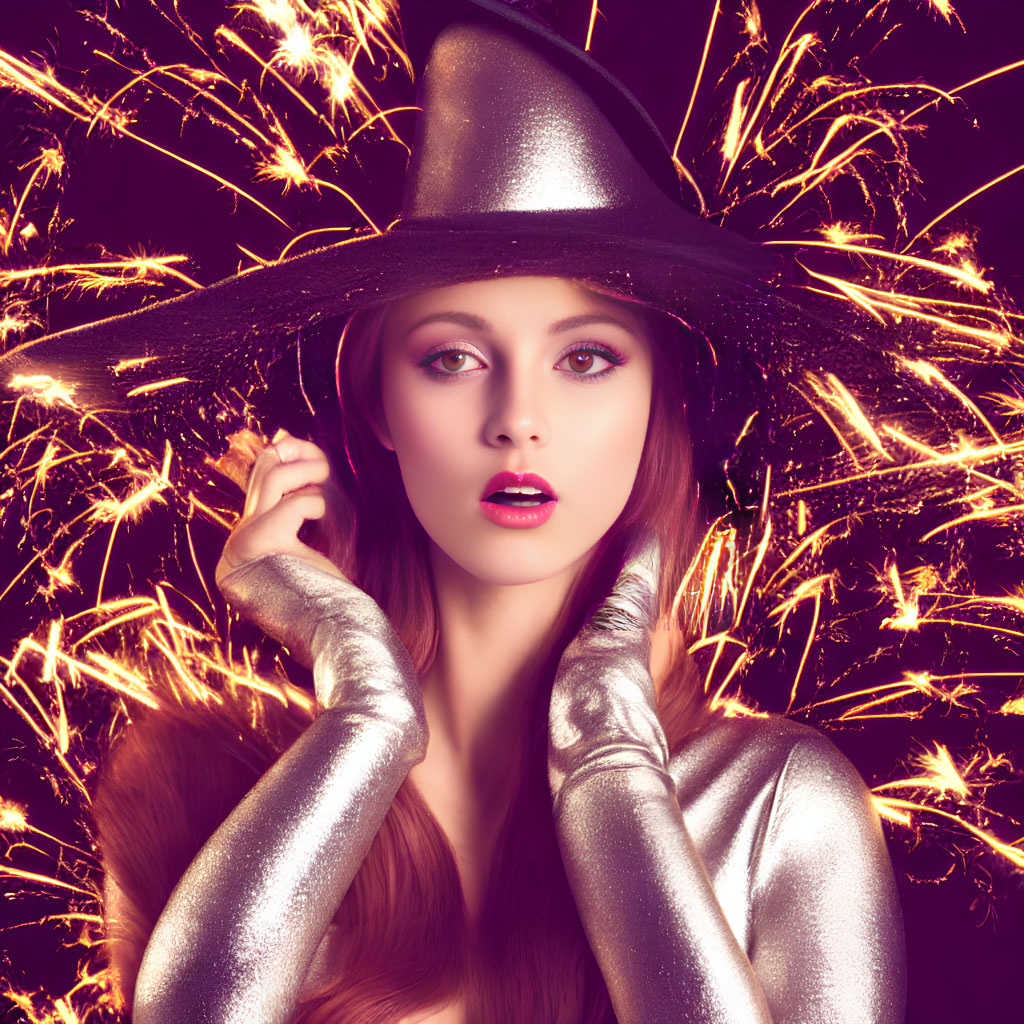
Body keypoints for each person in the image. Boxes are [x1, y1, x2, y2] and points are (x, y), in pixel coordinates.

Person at [6, 2, 907, 1021]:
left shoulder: (779, 810)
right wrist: (365, 714)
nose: (517, 418)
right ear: (377, 405)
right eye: (452, 357)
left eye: (585, 358)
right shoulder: (197, 795)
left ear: (662, 399)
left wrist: (607, 756)